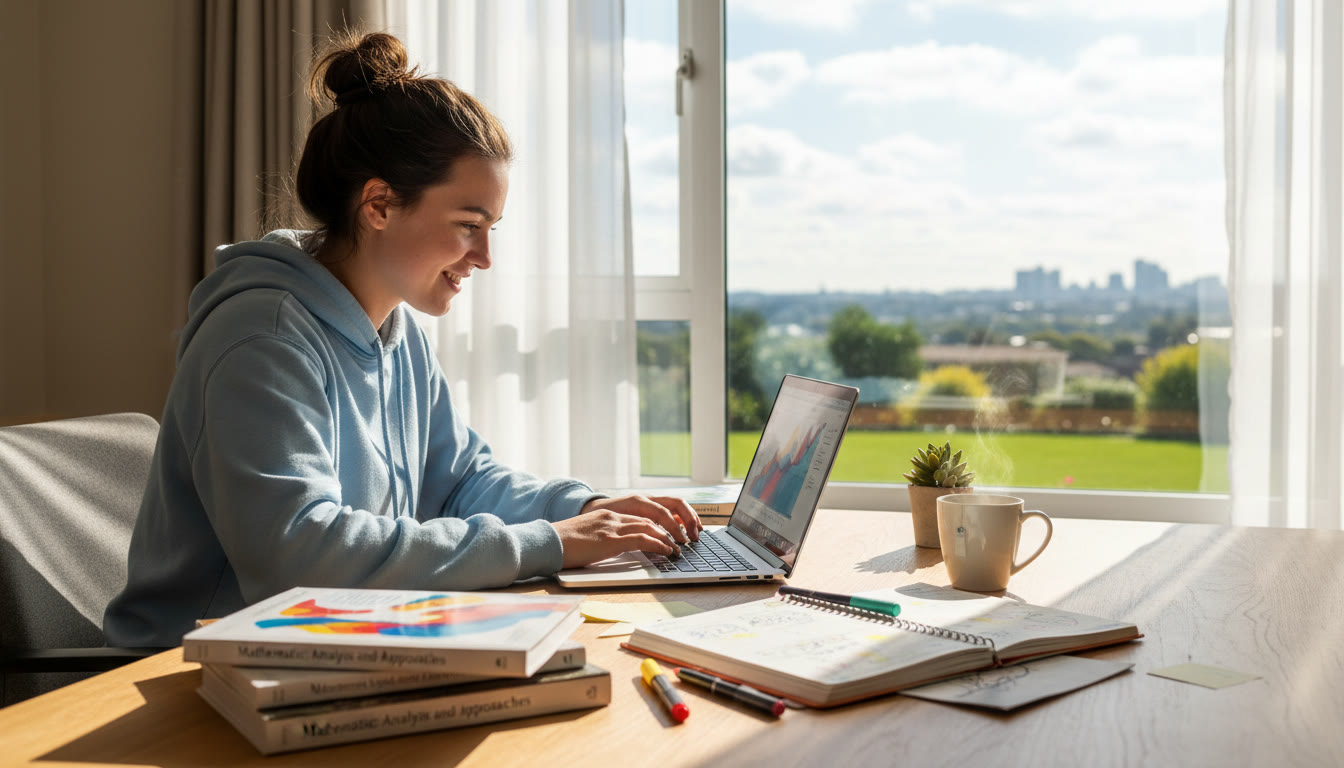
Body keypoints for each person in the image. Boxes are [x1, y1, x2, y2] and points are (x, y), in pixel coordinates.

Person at [104, 31, 700, 648]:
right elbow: (299, 557)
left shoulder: (393, 327)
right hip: (191, 669)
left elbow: (459, 480)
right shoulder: (261, 338)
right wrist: (548, 544)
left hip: (327, 640)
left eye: (491, 228)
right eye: (469, 226)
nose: (486, 257)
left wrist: (581, 508)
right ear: (380, 205)